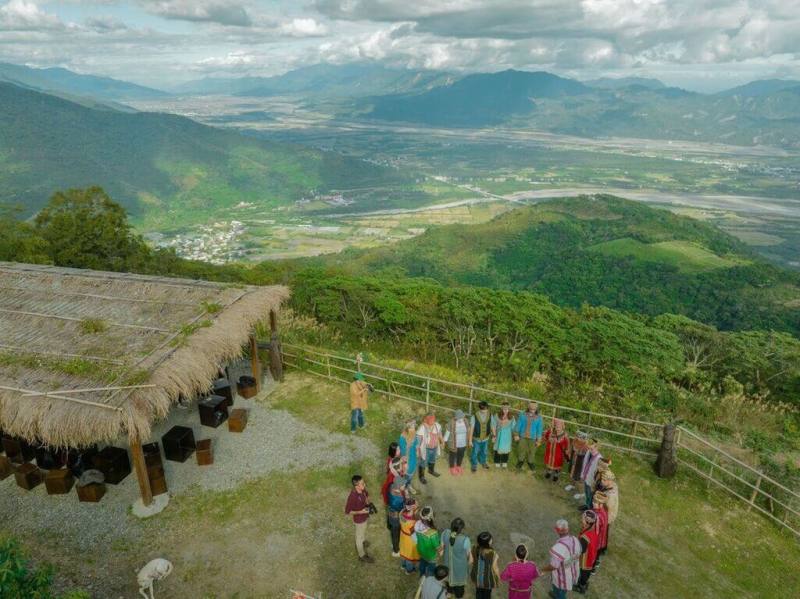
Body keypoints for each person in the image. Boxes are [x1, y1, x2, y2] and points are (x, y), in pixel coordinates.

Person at [539, 519, 581, 599]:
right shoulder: (575, 539)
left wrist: (543, 569)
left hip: (562, 578)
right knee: (563, 592)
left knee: (559, 593)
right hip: (574, 572)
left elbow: (553, 566)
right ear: (567, 529)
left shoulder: (558, 548)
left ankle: (557, 595)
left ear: (557, 530)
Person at [344, 475, 374, 563]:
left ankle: (363, 542)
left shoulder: (362, 490)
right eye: (362, 484)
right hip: (359, 520)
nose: (364, 485)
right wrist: (361, 511)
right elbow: (347, 511)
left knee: (363, 531)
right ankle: (362, 555)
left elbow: (366, 495)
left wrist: (368, 502)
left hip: (364, 517)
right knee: (359, 537)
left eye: (363, 482)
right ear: (356, 486)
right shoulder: (353, 497)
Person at [441, 517, 472, 598]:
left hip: (447, 564)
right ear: (462, 529)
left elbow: (441, 548)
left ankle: (449, 592)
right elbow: (471, 560)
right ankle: (459, 596)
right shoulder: (465, 540)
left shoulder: (445, 533)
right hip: (459, 568)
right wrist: (465, 565)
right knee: (459, 585)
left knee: (448, 578)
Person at [387, 457, 408, 558]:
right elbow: (403, 487)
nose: (404, 465)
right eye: (402, 464)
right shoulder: (397, 482)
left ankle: (395, 543)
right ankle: (395, 550)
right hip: (395, 513)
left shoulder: (394, 479)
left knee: (394, 530)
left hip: (392, 509)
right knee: (395, 532)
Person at [574, 511, 599, 594]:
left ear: (586, 521)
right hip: (592, 556)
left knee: (584, 573)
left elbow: (581, 550)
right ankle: (584, 583)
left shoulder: (585, 537)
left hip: (586, 559)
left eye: (582, 519)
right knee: (587, 573)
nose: (581, 520)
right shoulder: (592, 529)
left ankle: (581, 586)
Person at [514, 402, 543, 473]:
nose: (532, 410)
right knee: (521, 449)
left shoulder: (539, 418)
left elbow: (539, 429)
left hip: (533, 438)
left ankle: (530, 462)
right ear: (528, 407)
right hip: (523, 436)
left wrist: (538, 440)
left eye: (534, 409)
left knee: (532, 451)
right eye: (531, 408)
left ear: (536, 409)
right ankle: (520, 461)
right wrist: (516, 434)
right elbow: (518, 425)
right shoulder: (523, 415)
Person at [471, 531, 500, 599]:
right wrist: (498, 578)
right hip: (488, 580)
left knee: (478, 592)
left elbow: (472, 561)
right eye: (490, 539)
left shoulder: (474, 549)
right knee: (487, 595)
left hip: (477, 577)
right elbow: (495, 568)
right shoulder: (493, 554)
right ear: (488, 543)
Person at [417, 413, 444, 483]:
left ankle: (431, 470)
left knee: (432, 459)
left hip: (434, 447)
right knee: (423, 462)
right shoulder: (422, 428)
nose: (432, 422)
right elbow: (418, 440)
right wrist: (417, 450)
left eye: (433, 420)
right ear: (427, 420)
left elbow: (440, 434)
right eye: (430, 420)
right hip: (426, 449)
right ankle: (421, 476)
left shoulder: (437, 426)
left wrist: (442, 442)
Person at [415, 506, 441, 578]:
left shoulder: (417, 524)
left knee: (422, 563)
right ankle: (428, 578)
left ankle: (421, 574)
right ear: (431, 519)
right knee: (431, 568)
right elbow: (437, 546)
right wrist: (441, 549)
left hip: (421, 550)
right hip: (431, 555)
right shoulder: (433, 533)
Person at [596, 470, 619, 552]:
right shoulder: (612, 485)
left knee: (604, 532)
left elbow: (608, 507)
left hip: (607, 516)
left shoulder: (611, 495)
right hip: (606, 514)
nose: (602, 482)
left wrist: (600, 500)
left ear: (610, 481)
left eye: (604, 480)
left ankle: (602, 548)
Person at [543, 418, 570, 483]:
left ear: (562, 427)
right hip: (550, 452)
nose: (558, 427)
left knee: (557, 465)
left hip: (558, 454)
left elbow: (567, 445)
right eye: (556, 425)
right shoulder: (550, 431)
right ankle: (549, 472)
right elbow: (546, 437)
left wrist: (567, 452)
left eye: (559, 426)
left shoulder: (565, 436)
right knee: (549, 462)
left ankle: (556, 475)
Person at [444, 409, 470, 475]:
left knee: (461, 455)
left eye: (461, 417)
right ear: (456, 417)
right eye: (459, 418)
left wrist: (470, 439)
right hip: (453, 442)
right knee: (452, 455)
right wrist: (444, 440)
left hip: (463, 443)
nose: (461, 419)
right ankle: (452, 467)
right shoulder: (451, 422)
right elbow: (447, 432)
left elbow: (469, 430)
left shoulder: (466, 421)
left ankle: (458, 465)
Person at [578, 440, 602, 511]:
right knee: (586, 493)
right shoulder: (589, 453)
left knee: (590, 495)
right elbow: (585, 464)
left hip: (591, 482)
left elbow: (598, 474)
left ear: (597, 448)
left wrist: (594, 484)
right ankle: (587, 505)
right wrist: (583, 475)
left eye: (592, 449)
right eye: (589, 448)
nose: (590, 450)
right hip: (586, 478)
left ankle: (590, 509)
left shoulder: (599, 459)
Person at [469, 401, 492, 472]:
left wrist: (494, 435)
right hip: (477, 439)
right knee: (475, 452)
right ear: (480, 409)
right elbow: (471, 428)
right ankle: (474, 464)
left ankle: (483, 462)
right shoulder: (474, 417)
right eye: (483, 410)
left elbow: (492, 425)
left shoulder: (490, 415)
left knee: (484, 451)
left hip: (486, 438)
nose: (485, 411)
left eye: (486, 410)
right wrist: (470, 440)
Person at [491, 402, 516, 468]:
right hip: (499, 434)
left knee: (506, 448)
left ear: (509, 409)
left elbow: (514, 427)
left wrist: (515, 435)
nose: (505, 410)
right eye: (504, 409)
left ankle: (504, 461)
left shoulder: (512, 417)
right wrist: (494, 435)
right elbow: (493, 425)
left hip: (507, 436)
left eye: (507, 409)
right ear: (501, 408)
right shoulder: (497, 415)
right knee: (497, 448)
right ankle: (497, 461)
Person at [400, 498, 421, 574]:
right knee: (409, 555)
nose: (417, 504)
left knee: (403, 551)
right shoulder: (412, 522)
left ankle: (403, 565)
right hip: (410, 539)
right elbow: (414, 534)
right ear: (412, 507)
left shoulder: (402, 512)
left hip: (403, 535)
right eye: (415, 504)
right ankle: (409, 570)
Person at [399, 419, 420, 494]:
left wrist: (417, 451)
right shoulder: (402, 437)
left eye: (414, 427)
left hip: (413, 459)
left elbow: (417, 446)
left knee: (411, 474)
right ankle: (405, 487)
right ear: (408, 429)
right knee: (405, 475)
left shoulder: (415, 436)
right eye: (412, 427)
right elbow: (403, 452)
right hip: (406, 460)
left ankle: (409, 485)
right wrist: (405, 463)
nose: (414, 429)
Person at [590, 492, 609, 569]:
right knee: (597, 554)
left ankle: (592, 568)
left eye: (595, 502)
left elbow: (594, 530)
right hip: (601, 540)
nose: (592, 503)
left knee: (593, 556)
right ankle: (595, 563)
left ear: (601, 504)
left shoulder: (598, 516)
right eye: (593, 501)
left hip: (596, 541)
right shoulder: (604, 510)